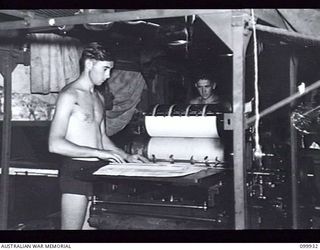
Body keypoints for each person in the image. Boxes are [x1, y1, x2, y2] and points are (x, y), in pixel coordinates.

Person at [48, 42, 149, 230]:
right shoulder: (69, 95)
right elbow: (55, 144)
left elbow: (101, 137)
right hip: (75, 171)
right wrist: (100, 153)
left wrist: (126, 156)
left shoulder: (98, 97)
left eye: (110, 70)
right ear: (89, 64)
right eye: (105, 69)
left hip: (98, 170)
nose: (108, 75)